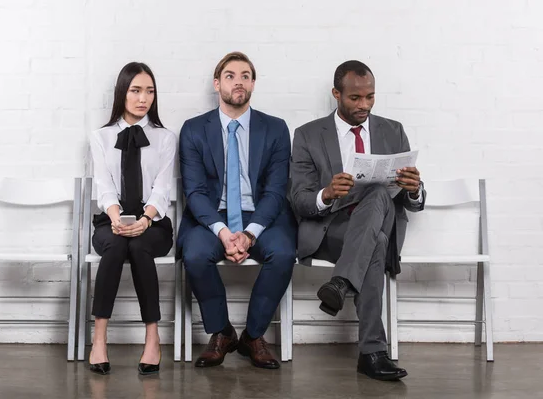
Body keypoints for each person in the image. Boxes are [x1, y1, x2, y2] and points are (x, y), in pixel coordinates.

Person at [289, 60, 426, 381]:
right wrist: (326, 193)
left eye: (370, 97)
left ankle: (341, 284)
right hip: (331, 230)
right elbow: (298, 199)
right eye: (355, 98)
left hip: (379, 221)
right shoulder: (308, 135)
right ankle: (372, 353)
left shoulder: (393, 131)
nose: (364, 105)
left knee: (379, 194)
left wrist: (415, 189)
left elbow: (412, 202)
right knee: (375, 244)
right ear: (337, 94)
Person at [177, 52, 297, 369]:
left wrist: (248, 233)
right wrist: (225, 232)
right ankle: (222, 331)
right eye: (230, 75)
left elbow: (275, 192)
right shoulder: (193, 129)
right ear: (217, 84)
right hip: (211, 219)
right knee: (194, 255)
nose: (238, 81)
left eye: (245, 75)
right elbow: (195, 192)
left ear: (253, 83)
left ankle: (253, 336)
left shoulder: (275, 129)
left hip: (261, 217)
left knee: (283, 253)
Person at [88, 62, 177, 375]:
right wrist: (116, 218)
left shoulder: (166, 138)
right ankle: (99, 339)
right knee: (115, 245)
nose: (144, 98)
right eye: (136, 90)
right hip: (110, 220)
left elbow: (163, 189)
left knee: (139, 246)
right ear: (122, 93)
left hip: (153, 224)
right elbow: (104, 186)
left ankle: (152, 339)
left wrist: (146, 219)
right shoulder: (100, 137)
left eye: (149, 91)